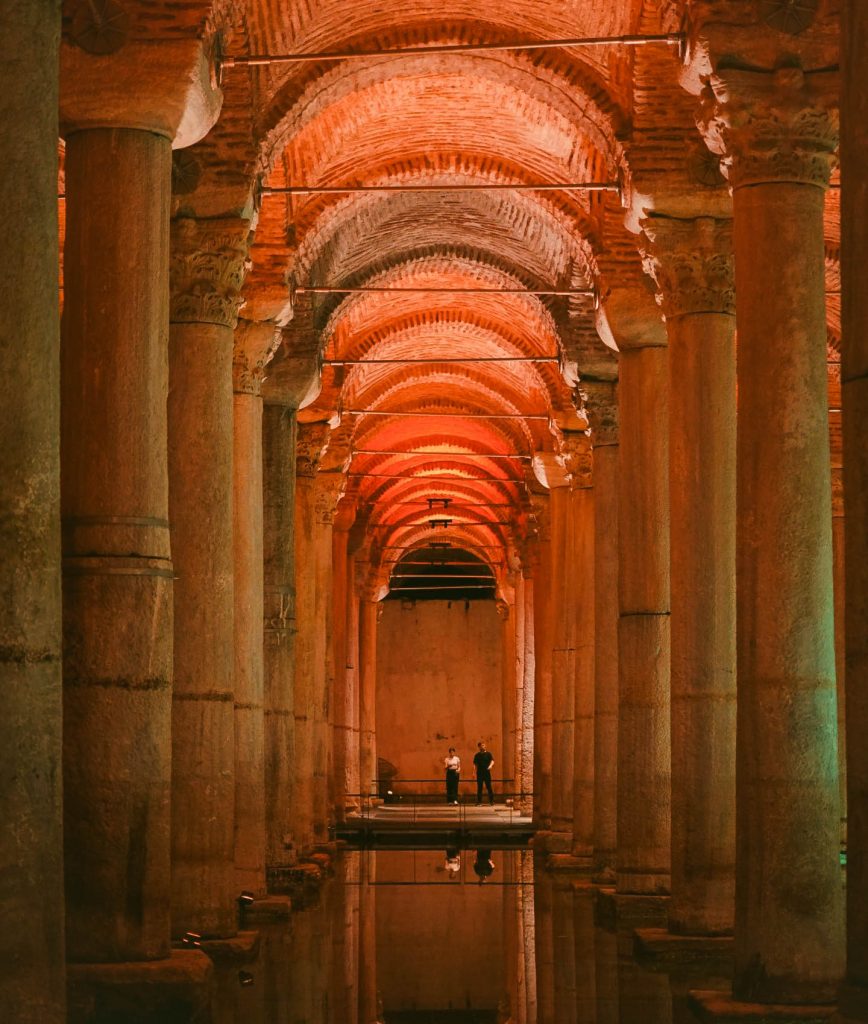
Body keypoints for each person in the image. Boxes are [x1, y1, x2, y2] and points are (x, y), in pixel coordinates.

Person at [473, 741, 495, 805]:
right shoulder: (477, 755)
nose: (483, 746)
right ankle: (479, 801)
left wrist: (490, 766)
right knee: (479, 787)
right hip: (479, 773)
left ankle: (491, 801)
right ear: (479, 747)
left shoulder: (488, 754)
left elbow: (492, 761)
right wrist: (473, 772)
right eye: (482, 745)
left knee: (489, 786)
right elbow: (475, 764)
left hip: (487, 772)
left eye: (484, 745)